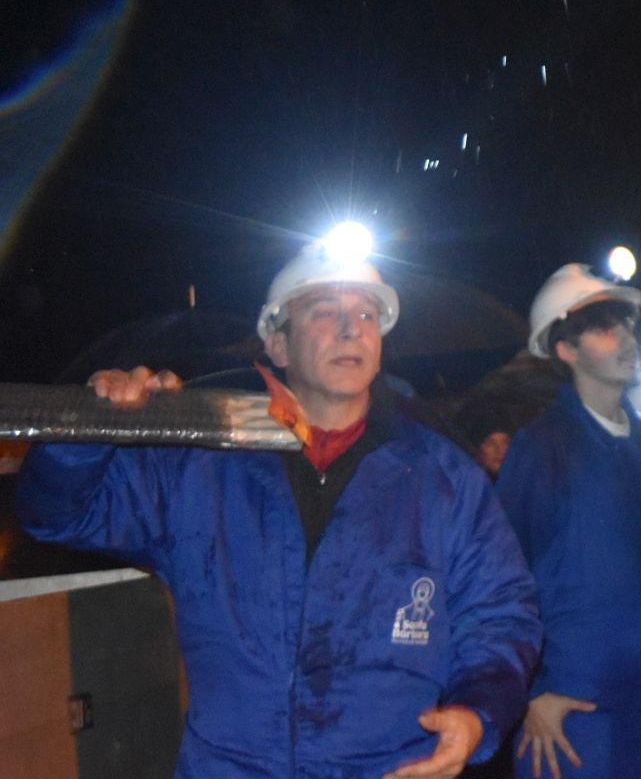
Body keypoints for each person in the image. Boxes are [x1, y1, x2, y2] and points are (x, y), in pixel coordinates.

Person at [14, 237, 541, 778]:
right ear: (279, 346)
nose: (350, 328)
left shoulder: (441, 477)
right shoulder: (202, 463)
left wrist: (478, 713)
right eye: (323, 313)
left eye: (365, 313)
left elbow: (501, 612)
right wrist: (93, 427)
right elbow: (55, 514)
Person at [494, 265, 641, 778]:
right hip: (571, 711)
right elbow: (500, 577)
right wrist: (529, 693)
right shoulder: (540, 447)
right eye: (603, 328)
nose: (625, 340)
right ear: (565, 351)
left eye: (626, 325)